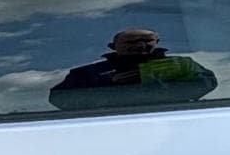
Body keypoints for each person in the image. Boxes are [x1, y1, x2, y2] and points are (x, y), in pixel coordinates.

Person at [49, 27, 217, 111]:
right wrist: (108, 83)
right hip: (107, 129)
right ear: (113, 46)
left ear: (157, 42)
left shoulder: (181, 64)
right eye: (130, 42)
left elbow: (207, 83)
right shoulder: (87, 73)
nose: (141, 45)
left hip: (179, 121)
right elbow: (59, 98)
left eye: (147, 40)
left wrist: (159, 85)